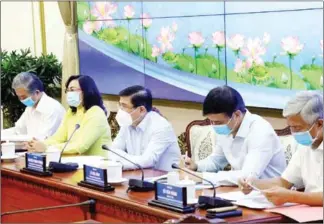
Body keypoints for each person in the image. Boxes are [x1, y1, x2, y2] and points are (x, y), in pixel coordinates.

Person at [185, 86, 286, 186]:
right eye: (212, 121)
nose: (214, 126)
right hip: (240, 191)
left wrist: (201, 177)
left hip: (268, 193)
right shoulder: (228, 129)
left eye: (218, 122)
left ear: (237, 115)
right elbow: (216, 161)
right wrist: (196, 166)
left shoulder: (261, 131)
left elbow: (246, 176)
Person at [239, 91, 323, 206]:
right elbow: (284, 182)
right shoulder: (306, 145)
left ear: (319, 124)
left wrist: (291, 196)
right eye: (291, 127)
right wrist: (253, 183)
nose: (294, 133)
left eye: (298, 128)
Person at [26, 75, 111, 156]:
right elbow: (58, 138)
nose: (69, 94)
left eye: (72, 90)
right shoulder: (71, 112)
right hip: (76, 162)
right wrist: (38, 144)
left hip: (97, 166)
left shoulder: (96, 113)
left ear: (86, 91)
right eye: (68, 90)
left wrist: (47, 148)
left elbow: (81, 146)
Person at [108, 85, 181, 171]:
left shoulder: (161, 126)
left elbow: (147, 161)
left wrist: (120, 160)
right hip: (138, 176)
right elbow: (112, 151)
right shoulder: (128, 123)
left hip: (164, 180)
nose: (120, 110)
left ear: (141, 110)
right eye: (119, 105)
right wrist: (132, 160)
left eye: (124, 106)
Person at [1, 72, 65, 140]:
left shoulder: (52, 108)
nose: (21, 100)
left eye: (23, 97)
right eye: (19, 97)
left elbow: (42, 139)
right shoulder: (30, 108)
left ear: (36, 92)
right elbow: (18, 131)